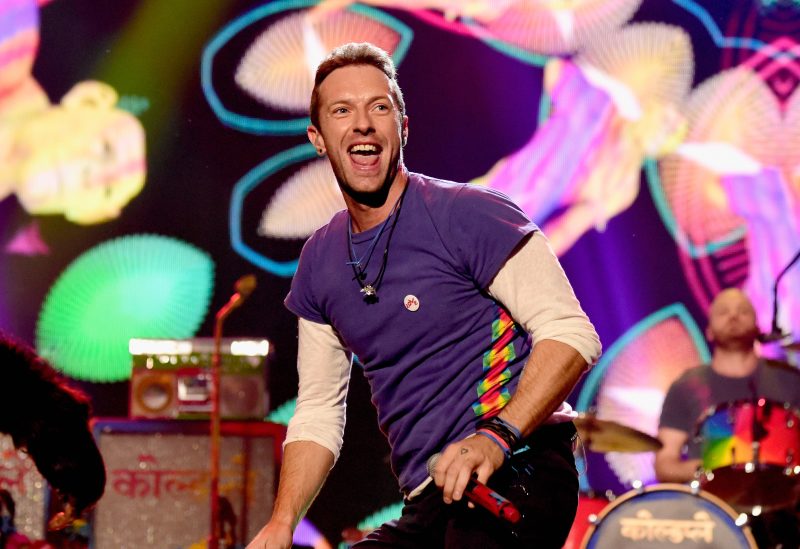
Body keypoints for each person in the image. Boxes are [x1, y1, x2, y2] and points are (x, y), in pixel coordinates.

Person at [247, 42, 601, 549]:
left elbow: (571, 335)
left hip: (518, 469)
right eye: (341, 110)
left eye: (379, 107)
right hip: (430, 498)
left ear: (403, 127)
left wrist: (497, 437)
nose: (363, 123)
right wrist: (281, 523)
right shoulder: (319, 264)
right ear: (318, 139)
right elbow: (319, 412)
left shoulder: (469, 214)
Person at [655, 288, 800, 546]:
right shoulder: (686, 387)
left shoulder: (790, 379)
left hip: (788, 520)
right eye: (723, 312)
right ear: (709, 329)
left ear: (758, 326)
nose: (733, 316)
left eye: (743, 311)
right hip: (714, 522)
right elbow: (665, 463)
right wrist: (719, 470)